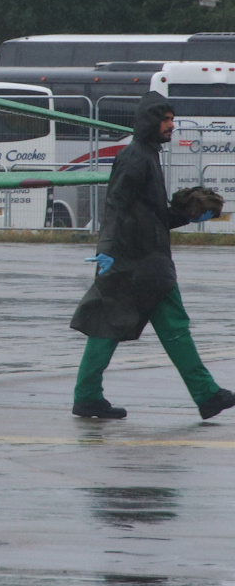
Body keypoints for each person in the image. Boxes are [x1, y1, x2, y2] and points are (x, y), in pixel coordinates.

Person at [70, 91, 235, 421]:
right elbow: (115, 205)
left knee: (107, 325)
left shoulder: (146, 156)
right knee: (168, 327)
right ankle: (205, 394)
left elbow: (152, 215)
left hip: (137, 262)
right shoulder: (135, 158)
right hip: (139, 262)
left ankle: (87, 396)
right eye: (166, 119)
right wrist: (106, 251)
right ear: (150, 121)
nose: (171, 125)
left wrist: (187, 216)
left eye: (172, 119)